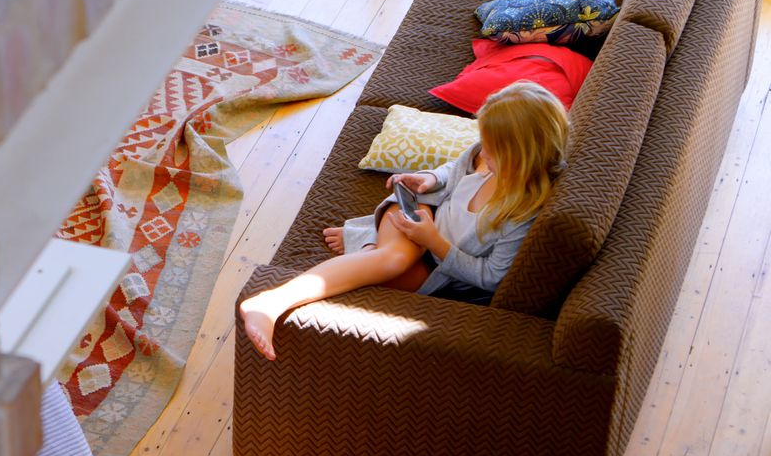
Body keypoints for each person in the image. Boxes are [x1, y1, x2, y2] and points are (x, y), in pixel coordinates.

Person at [239, 81, 570, 360]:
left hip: (435, 261)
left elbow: (491, 278)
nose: (483, 153)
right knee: (392, 257)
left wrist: (433, 242)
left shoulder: (521, 214)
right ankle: (271, 303)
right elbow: (453, 170)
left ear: (521, 156)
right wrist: (428, 181)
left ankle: (367, 243)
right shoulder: (482, 156)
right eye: (482, 144)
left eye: (493, 151)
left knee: (391, 262)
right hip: (421, 211)